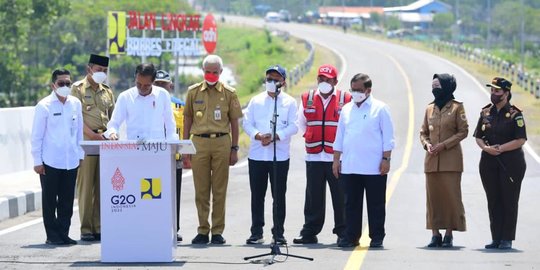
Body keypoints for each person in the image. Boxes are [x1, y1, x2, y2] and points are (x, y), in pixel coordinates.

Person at [183, 55, 243, 245]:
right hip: (199, 143)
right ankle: (202, 230)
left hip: (221, 143)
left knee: (219, 189)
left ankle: (217, 231)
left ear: (221, 72)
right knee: (201, 190)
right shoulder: (193, 92)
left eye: (214, 72)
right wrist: (185, 147)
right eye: (207, 71)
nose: (210, 75)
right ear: (203, 71)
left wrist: (234, 148)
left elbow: (234, 122)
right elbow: (187, 120)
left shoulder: (229, 93)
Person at [332, 73, 395, 248]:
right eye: (353, 89)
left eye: (359, 90)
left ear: (368, 90)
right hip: (350, 166)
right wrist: (336, 160)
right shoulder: (346, 109)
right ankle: (351, 237)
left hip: (374, 167)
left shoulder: (380, 108)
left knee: (375, 204)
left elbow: (388, 137)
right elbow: (340, 137)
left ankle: (377, 237)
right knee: (351, 204)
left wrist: (386, 159)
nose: (355, 93)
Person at [294, 64, 351, 245]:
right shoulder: (307, 98)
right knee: (313, 197)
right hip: (314, 156)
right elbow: (301, 123)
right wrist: (310, 136)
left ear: (335, 81)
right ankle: (309, 232)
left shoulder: (346, 99)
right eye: (321, 79)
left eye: (328, 80)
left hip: (337, 159)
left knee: (340, 196)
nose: (324, 82)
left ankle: (343, 232)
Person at [243, 65, 298, 245]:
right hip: (257, 155)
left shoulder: (289, 102)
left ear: (283, 82)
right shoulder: (256, 101)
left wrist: (276, 136)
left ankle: (278, 233)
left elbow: (294, 125)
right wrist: (258, 135)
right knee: (257, 196)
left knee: (278, 196)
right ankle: (256, 232)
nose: (271, 82)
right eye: (269, 79)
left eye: (275, 79)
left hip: (279, 156)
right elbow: (247, 123)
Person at [31, 69, 84, 245]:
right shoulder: (44, 106)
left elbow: (79, 133)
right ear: (53, 85)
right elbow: (36, 136)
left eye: (68, 83)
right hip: (50, 161)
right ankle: (52, 236)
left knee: (67, 201)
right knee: (49, 201)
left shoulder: (75, 103)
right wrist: (37, 161)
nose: (65, 86)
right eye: (61, 83)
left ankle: (63, 233)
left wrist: (80, 155)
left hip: (71, 161)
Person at [473, 77, 527, 250]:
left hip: (511, 163)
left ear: (506, 93)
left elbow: (521, 140)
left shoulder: (515, 114)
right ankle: (496, 238)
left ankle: (507, 238)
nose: (493, 94)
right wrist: (486, 149)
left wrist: (501, 148)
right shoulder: (486, 112)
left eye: (497, 91)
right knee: (493, 200)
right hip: (489, 162)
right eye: (492, 90)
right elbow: (478, 137)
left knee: (509, 200)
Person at [419, 74, 468, 248]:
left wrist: (444, 145)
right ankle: (434, 234)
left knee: (450, 198)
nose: (434, 89)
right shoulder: (429, 108)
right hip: (432, 161)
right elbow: (423, 132)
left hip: (451, 161)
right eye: (432, 86)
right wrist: (427, 145)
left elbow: (463, 131)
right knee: (433, 199)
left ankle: (448, 234)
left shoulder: (457, 107)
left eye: (438, 85)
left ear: (447, 87)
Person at [71, 54, 114, 242]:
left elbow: (113, 118)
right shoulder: (77, 89)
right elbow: (75, 119)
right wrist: (94, 136)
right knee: (86, 186)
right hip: (87, 142)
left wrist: (111, 134)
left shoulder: (107, 91)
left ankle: (99, 226)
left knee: (103, 186)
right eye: (98, 70)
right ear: (89, 69)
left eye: (105, 71)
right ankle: (86, 228)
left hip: (105, 142)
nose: (102, 74)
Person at [104, 63, 177, 141]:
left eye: (146, 86)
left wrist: (172, 145)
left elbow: (170, 125)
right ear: (135, 79)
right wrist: (112, 133)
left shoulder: (163, 95)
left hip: (157, 148)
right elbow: (114, 123)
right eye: (139, 84)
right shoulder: (125, 97)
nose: (142, 88)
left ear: (153, 82)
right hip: (132, 148)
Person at [154, 69, 185, 242]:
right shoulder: (149, 103)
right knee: (154, 194)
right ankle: (156, 227)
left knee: (174, 195)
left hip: (174, 157)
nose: (160, 88)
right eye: (157, 84)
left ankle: (175, 228)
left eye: (163, 85)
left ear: (170, 86)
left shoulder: (180, 105)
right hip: (155, 156)